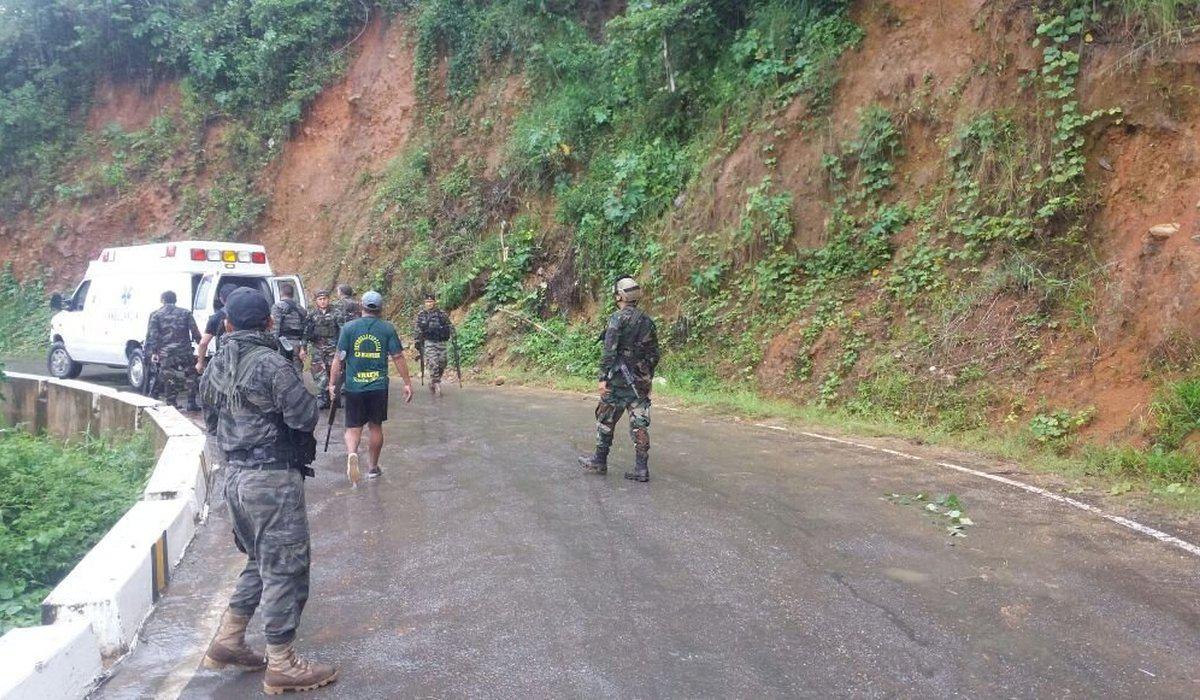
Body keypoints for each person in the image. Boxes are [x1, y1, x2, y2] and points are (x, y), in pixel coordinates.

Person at [198, 287, 336, 694]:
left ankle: (229, 639)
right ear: (269, 322)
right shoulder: (273, 365)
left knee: (260, 559)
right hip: (271, 480)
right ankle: (283, 663)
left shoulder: (215, 366)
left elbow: (209, 419)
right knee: (286, 567)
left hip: (235, 478)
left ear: (227, 324)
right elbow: (304, 416)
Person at [578, 277, 660, 482]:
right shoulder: (647, 321)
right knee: (639, 424)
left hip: (616, 381)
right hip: (639, 383)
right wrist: (648, 378)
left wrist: (602, 377)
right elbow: (653, 355)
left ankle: (599, 461)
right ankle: (641, 469)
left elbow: (609, 351)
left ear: (620, 296)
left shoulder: (617, 319)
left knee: (606, 419)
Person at [328, 290, 413, 483]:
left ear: (361, 306)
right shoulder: (387, 329)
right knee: (375, 427)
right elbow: (398, 356)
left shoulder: (348, 329)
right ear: (380, 309)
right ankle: (373, 468)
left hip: (354, 387)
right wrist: (407, 383)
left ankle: (352, 454)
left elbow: (338, 359)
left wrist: (332, 383)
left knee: (353, 428)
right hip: (378, 387)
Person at [144, 290, 202, 411]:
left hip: (166, 353)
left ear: (162, 300)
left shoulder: (156, 315)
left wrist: (154, 352)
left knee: (169, 377)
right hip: (185, 351)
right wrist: (201, 345)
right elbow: (195, 332)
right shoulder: (186, 313)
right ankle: (191, 402)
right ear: (175, 300)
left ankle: (171, 403)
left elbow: (152, 336)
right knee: (191, 375)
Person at [302, 290, 340, 409]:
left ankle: (335, 398)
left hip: (332, 349)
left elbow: (343, 330)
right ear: (316, 301)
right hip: (316, 348)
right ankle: (322, 398)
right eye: (320, 299)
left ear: (329, 299)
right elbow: (306, 332)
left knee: (333, 372)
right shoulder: (311, 315)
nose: (323, 301)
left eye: (325, 299)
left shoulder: (337, 313)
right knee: (318, 373)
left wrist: (343, 347)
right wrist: (303, 348)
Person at [413, 292, 454, 396]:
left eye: (431, 301)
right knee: (433, 363)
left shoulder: (441, 314)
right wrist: (417, 341)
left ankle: (433, 381)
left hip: (441, 342)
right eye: (427, 301)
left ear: (434, 302)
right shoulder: (422, 315)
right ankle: (436, 383)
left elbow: (449, 325)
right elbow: (417, 329)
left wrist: (453, 334)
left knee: (443, 363)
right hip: (429, 342)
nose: (429, 303)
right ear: (424, 303)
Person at [196, 285, 235, 375]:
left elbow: (203, 343)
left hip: (225, 360)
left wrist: (200, 362)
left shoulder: (217, 317)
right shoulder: (250, 313)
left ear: (221, 299)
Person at [271, 283, 307, 372]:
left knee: (283, 371)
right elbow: (305, 330)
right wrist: (303, 347)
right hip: (298, 344)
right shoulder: (301, 309)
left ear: (281, 293)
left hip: (283, 344)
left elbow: (275, 329)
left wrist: (272, 346)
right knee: (297, 371)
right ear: (293, 294)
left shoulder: (278, 307)